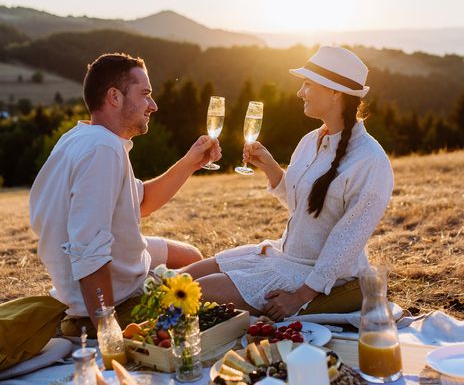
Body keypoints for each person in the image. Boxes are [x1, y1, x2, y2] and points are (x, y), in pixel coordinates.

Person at [182, 46, 394, 321]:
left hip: (315, 276)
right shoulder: (310, 141)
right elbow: (302, 206)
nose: (299, 92)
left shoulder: (370, 161)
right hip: (281, 256)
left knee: (192, 291)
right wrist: (271, 168)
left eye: (307, 84)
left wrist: (300, 296)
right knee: (181, 277)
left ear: (335, 93)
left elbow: (346, 243)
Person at [29, 53, 221, 336]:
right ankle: (91, 322)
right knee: (221, 282)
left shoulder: (81, 137)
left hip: (101, 268)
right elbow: (89, 251)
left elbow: (139, 202)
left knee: (190, 255)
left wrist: (190, 162)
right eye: (145, 94)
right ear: (114, 97)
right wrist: (109, 333)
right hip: (110, 300)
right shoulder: (103, 150)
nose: (153, 106)